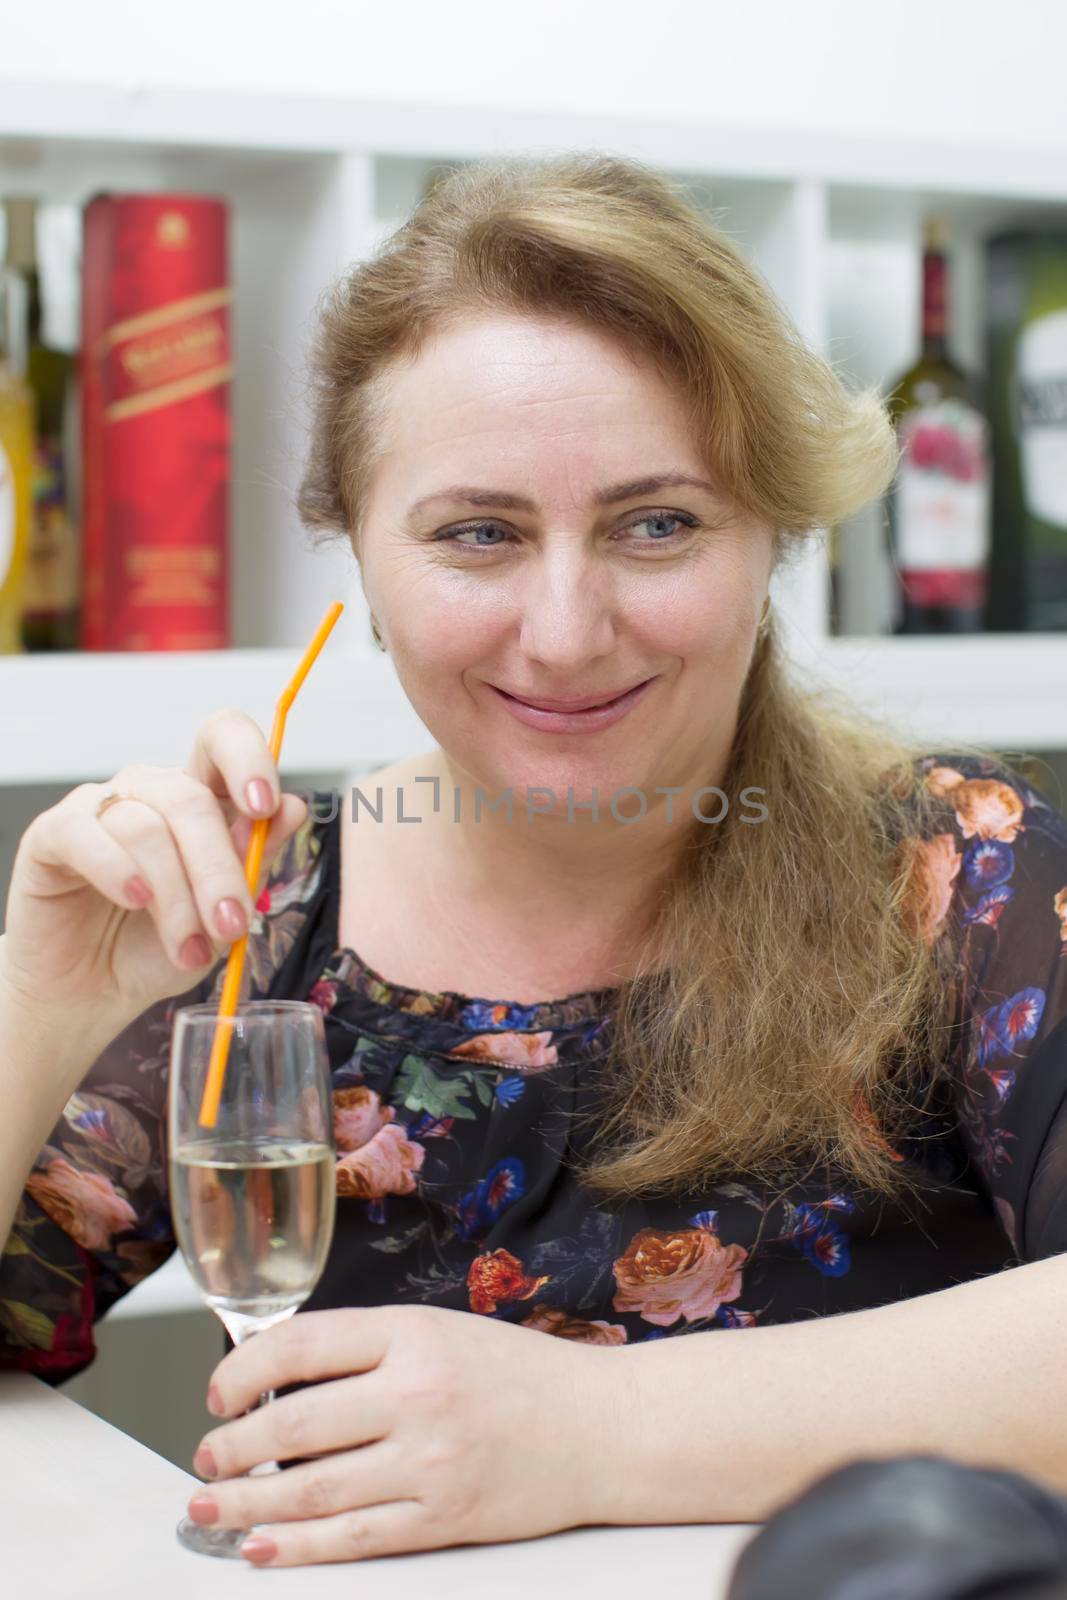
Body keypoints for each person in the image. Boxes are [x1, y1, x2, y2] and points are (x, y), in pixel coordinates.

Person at [2, 152, 1067, 1571]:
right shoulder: (258, 912)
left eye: (657, 523)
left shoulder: (959, 875)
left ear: (775, 539)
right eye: (479, 534)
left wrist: (593, 1428)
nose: (565, 631)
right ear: (361, 562)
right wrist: (41, 999)